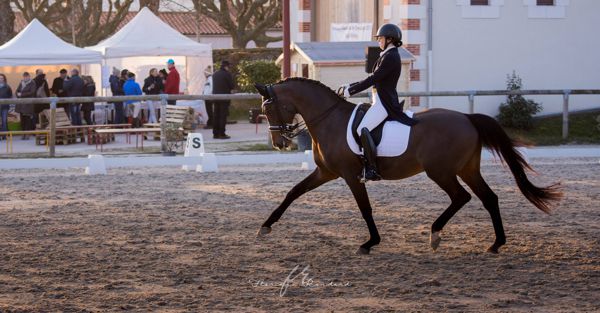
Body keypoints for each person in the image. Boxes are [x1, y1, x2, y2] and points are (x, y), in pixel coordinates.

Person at [337, 24, 418, 182]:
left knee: (362, 129)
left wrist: (351, 92)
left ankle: (372, 169)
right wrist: (350, 86)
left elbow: (373, 79)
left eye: (380, 38)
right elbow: (372, 79)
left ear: (389, 39)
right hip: (379, 100)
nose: (379, 41)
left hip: (384, 103)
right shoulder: (387, 55)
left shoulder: (391, 56)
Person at [211, 60, 235, 139]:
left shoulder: (215, 74)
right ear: (226, 66)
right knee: (222, 116)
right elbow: (232, 86)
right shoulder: (227, 74)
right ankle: (222, 133)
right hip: (224, 98)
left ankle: (215, 133)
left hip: (215, 97)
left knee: (216, 115)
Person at [15, 72, 37, 138]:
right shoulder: (21, 83)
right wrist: (17, 94)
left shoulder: (32, 83)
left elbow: (32, 92)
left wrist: (21, 94)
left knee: (28, 119)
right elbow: (17, 91)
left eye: (26, 76)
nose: (25, 78)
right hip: (21, 104)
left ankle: (27, 133)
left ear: (29, 76)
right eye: (24, 76)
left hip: (28, 104)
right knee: (22, 119)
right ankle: (23, 133)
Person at [0, 74, 13, 139]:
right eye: (0, 78)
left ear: (4, 79)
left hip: (5, 107)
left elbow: (10, 95)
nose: (0, 79)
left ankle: (4, 135)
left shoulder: (7, 87)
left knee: (4, 121)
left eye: (2, 78)